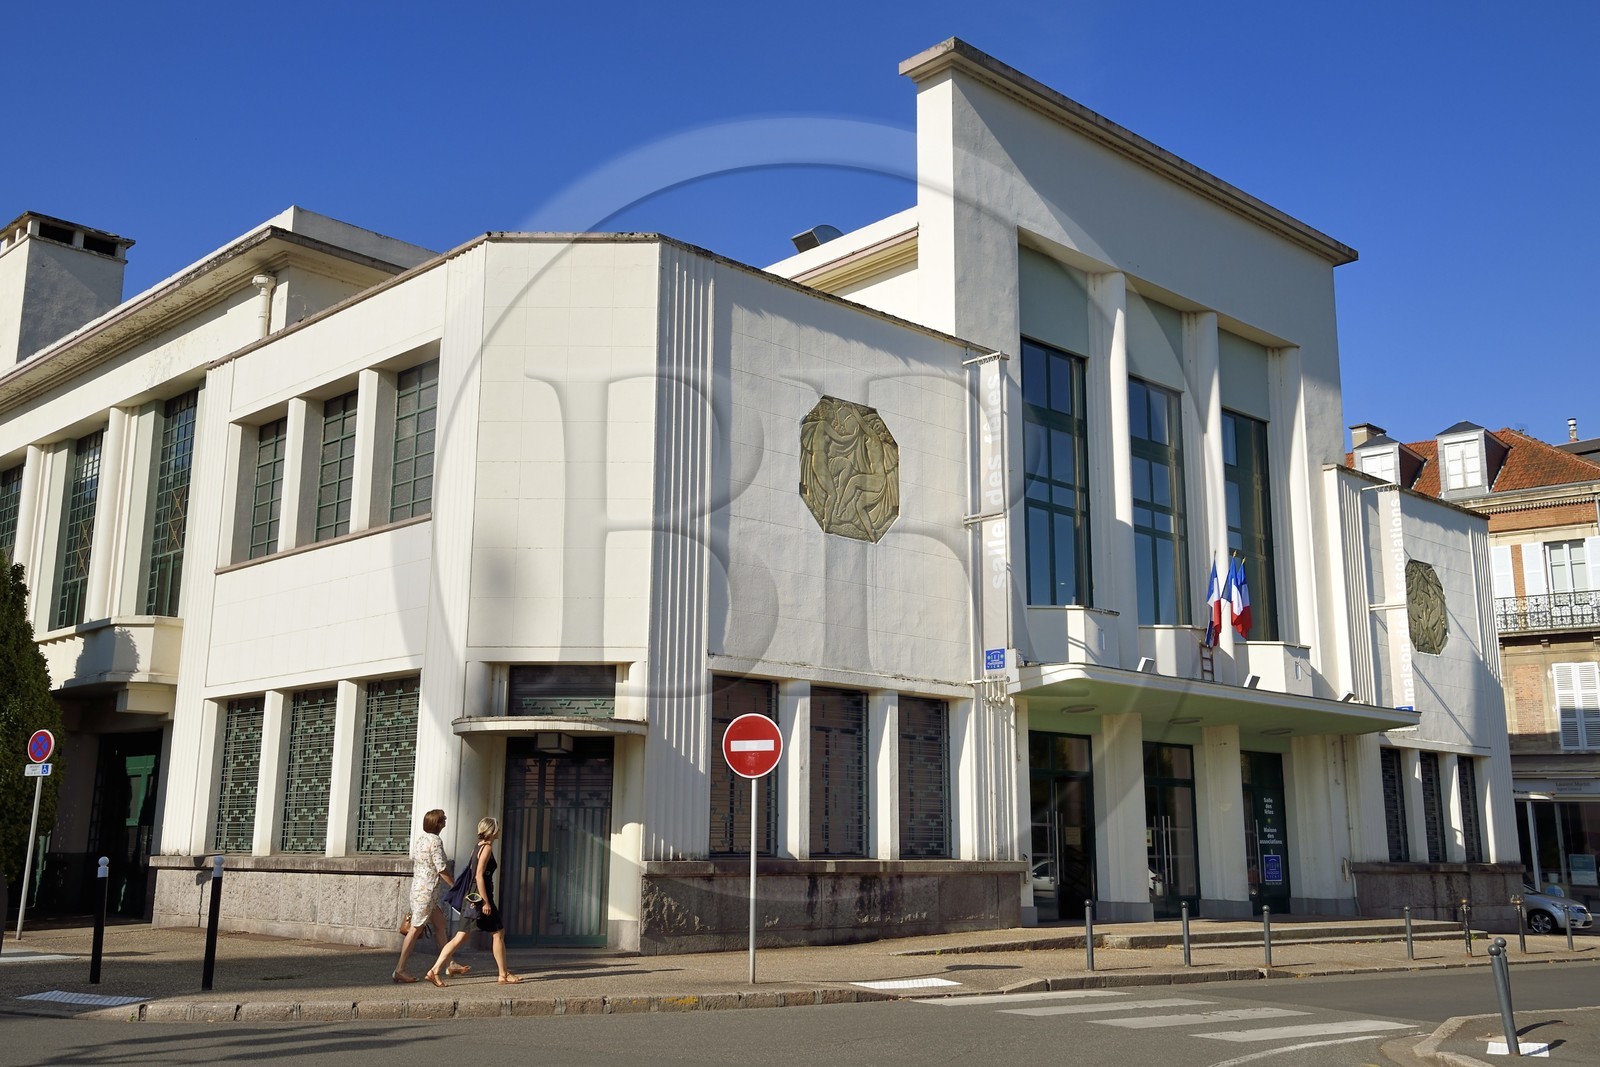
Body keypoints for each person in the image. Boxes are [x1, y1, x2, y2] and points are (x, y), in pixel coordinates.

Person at [424, 816, 524, 986]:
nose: (499, 831)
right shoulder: (486, 848)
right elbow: (478, 875)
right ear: (491, 830)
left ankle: (435, 970)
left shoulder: (476, 847)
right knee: (496, 933)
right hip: (480, 897)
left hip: (472, 897)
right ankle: (503, 974)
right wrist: (485, 902)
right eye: (497, 828)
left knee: (465, 936)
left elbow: (471, 871)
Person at [393, 809, 470, 984]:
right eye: (444, 819)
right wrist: (456, 886)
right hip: (427, 892)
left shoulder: (421, 840)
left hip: (420, 890)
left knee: (440, 924)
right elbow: (441, 867)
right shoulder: (435, 841)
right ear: (438, 823)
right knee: (415, 930)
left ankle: (450, 963)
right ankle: (399, 969)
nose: (445, 821)